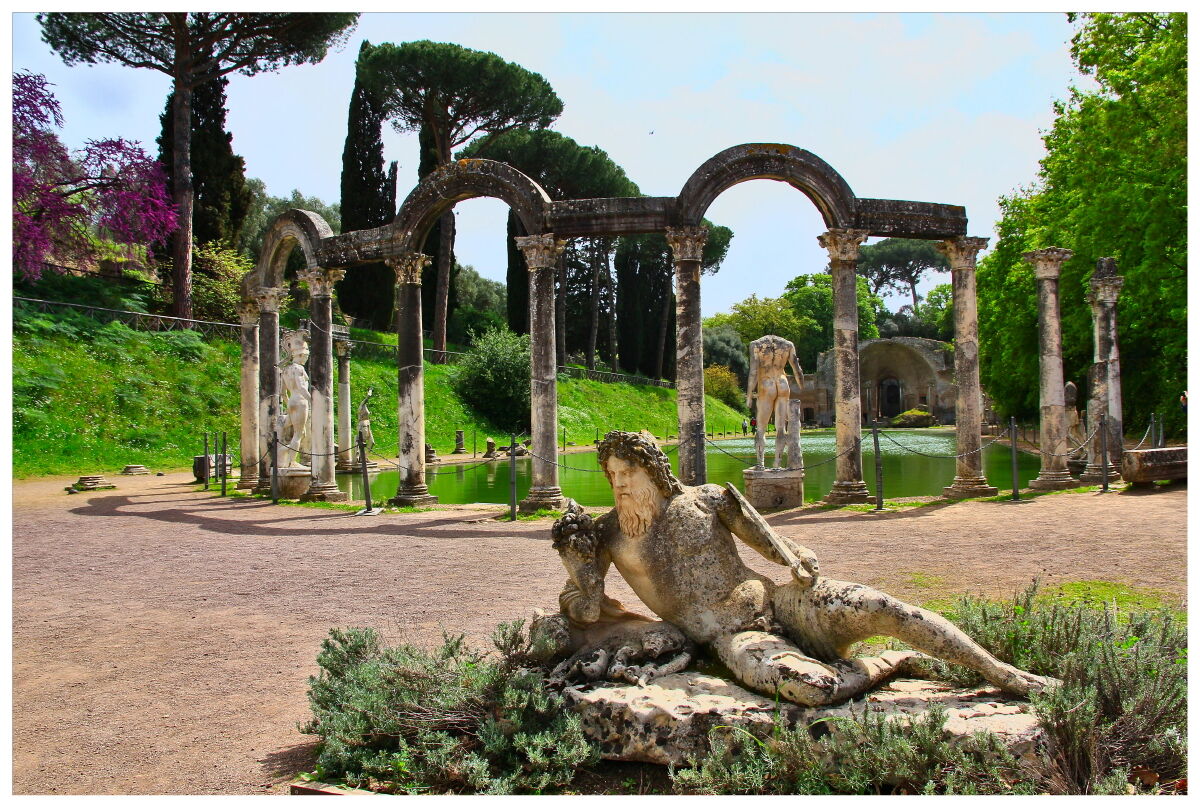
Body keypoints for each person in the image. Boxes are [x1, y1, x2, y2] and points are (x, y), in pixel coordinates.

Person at [551, 431, 1056, 707]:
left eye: (627, 472)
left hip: (779, 601)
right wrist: (577, 571)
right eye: (611, 475)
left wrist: (798, 558)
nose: (618, 484)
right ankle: (887, 665)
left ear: (654, 470)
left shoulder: (707, 499)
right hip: (732, 639)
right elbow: (585, 602)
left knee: (885, 606)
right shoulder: (608, 534)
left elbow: (769, 541)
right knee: (809, 689)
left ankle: (1003, 672)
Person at [746, 335, 803, 468]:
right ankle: (777, 464)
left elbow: (753, 372)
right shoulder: (788, 344)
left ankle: (760, 464)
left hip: (766, 383)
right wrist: (801, 386)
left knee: (760, 428)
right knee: (781, 428)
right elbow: (797, 368)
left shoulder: (756, 344)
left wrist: (749, 395)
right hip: (783, 384)